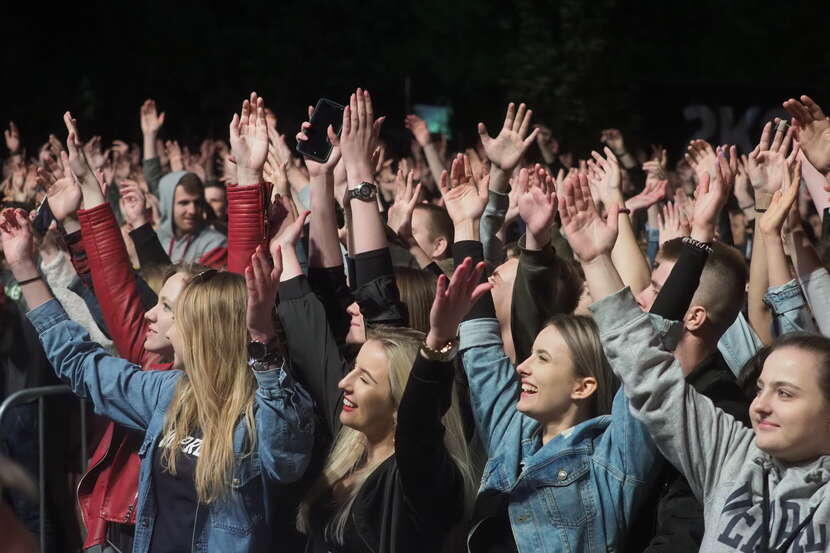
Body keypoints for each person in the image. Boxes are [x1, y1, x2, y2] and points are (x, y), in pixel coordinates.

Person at [0, 206, 315, 553]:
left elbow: (286, 459)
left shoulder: (264, 408)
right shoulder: (170, 391)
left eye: (173, 313)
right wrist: (23, 267)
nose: (160, 321)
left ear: (207, 331)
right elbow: (82, 364)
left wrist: (261, 338)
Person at [433, 158, 660, 552]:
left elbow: (640, 365)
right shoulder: (511, 431)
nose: (521, 366)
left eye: (542, 358)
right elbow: (481, 345)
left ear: (584, 386)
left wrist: (595, 259)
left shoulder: (612, 461)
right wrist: (465, 224)